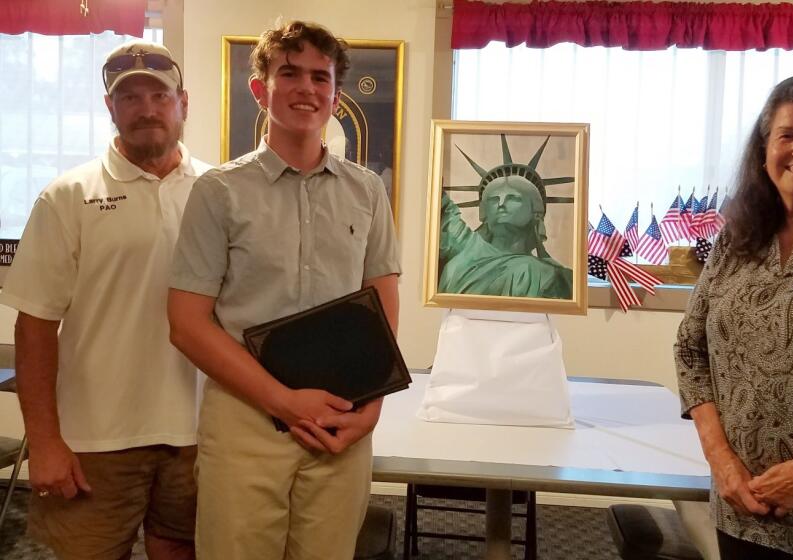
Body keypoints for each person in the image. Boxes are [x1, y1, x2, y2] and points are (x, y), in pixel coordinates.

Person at [167, 20, 400, 560]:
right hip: (247, 417)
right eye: (289, 73)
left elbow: (382, 300)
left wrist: (373, 407)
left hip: (343, 419)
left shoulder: (366, 191)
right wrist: (284, 402)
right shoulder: (219, 192)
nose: (306, 89)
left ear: (336, 95)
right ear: (260, 89)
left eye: (321, 77)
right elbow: (186, 324)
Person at [0, 40, 210, 559]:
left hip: (199, 432)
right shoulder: (68, 197)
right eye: (130, 97)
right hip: (95, 440)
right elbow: (34, 328)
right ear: (109, 107)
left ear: (183, 101)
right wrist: (44, 442)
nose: (146, 109)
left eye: (158, 95)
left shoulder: (217, 191)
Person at [675, 74, 793, 560]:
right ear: (764, 148)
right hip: (741, 504)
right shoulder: (738, 238)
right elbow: (690, 348)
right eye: (787, 134)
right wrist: (721, 460)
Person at [438, 145, 573, 298]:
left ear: (536, 212)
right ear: (484, 212)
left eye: (513, 198)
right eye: (494, 200)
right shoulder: (464, 246)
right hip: (459, 319)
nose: (501, 204)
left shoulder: (554, 276)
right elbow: (441, 208)